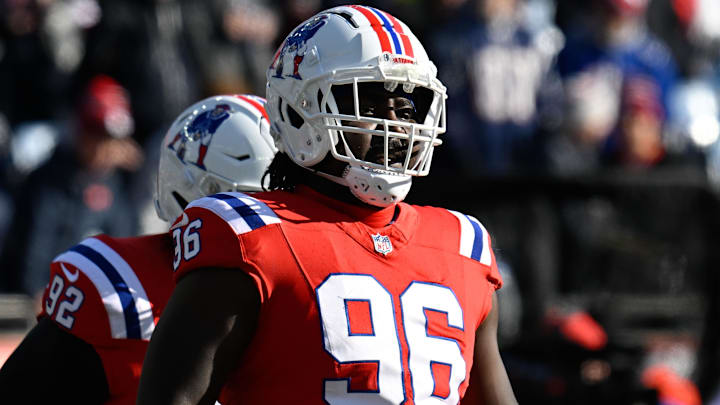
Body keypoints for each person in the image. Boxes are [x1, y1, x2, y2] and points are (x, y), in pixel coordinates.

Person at [137, 6, 518, 405]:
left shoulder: (463, 245)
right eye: (368, 106)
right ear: (298, 111)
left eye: (406, 110)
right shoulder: (247, 236)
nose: (396, 126)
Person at [0, 94, 277, 404]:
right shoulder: (117, 289)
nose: (284, 219)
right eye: (267, 205)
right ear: (205, 196)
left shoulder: (300, 283)